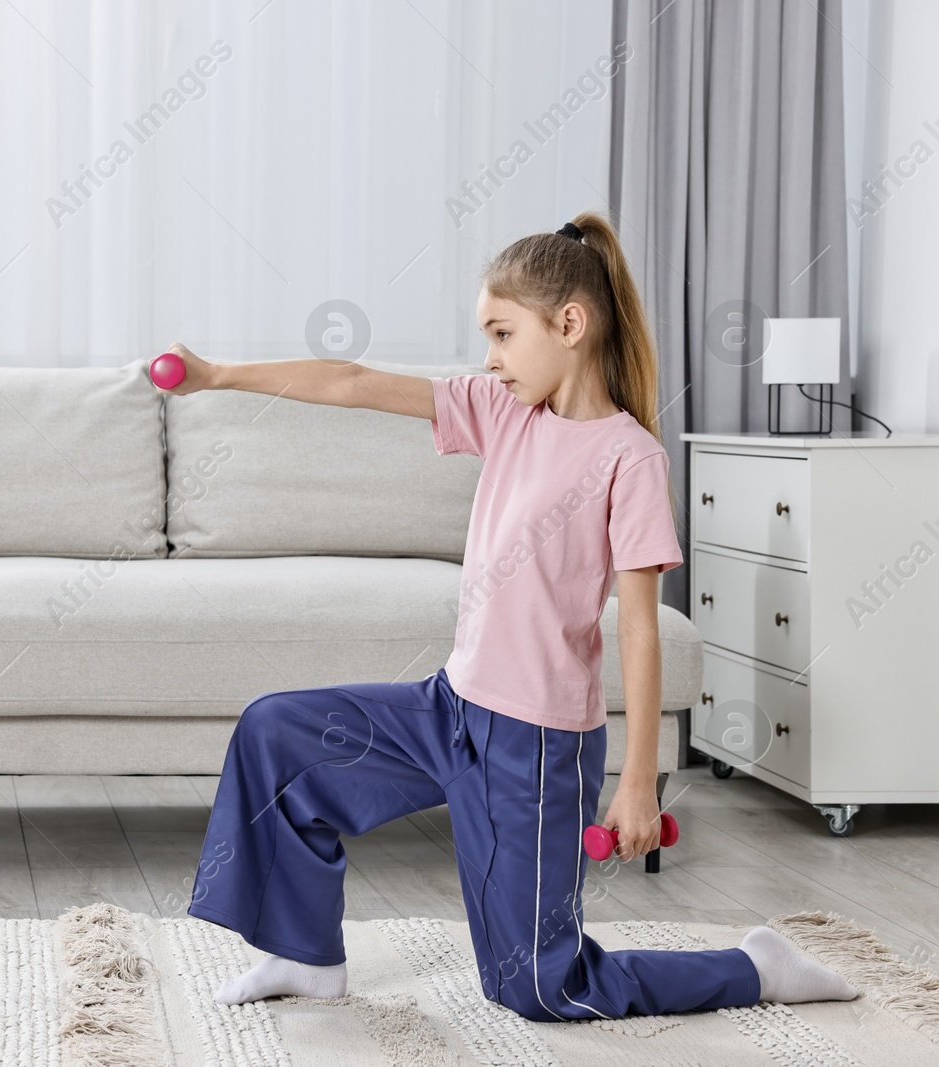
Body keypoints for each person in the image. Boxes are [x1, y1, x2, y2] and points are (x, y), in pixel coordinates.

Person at [153, 212, 860, 1021]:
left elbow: (637, 624)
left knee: (540, 987)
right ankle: (307, 955)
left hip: (536, 746)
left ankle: (754, 966)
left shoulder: (630, 459)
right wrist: (216, 376)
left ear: (570, 324)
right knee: (275, 734)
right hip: (448, 710)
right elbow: (350, 382)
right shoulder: (502, 411)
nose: (488, 355)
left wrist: (635, 783)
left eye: (500, 332)